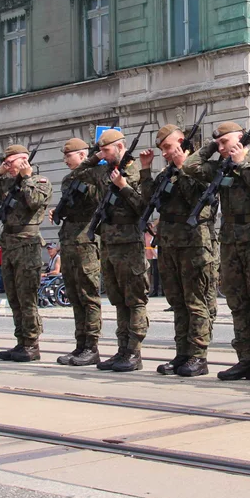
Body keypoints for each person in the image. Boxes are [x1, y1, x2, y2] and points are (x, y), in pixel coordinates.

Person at [183, 120, 250, 383]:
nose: (222, 147)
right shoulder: (219, 166)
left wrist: (242, 161)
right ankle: (245, 360)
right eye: (219, 143)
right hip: (230, 242)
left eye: (225, 142)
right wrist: (211, 146)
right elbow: (189, 166)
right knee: (238, 303)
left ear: (240, 139)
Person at [140, 123, 217, 377]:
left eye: (167, 147)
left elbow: (196, 199)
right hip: (170, 245)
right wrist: (145, 170)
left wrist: (185, 166)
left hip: (194, 244)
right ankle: (182, 353)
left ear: (182, 143)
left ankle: (198, 355)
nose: (164, 153)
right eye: (162, 148)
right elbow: (149, 200)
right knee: (178, 302)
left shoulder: (200, 172)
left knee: (196, 301)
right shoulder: (167, 174)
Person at [0, 144, 52, 361]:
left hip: (27, 243)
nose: (8, 166)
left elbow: (34, 202)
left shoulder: (40, 182)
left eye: (11, 162)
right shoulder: (8, 183)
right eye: (6, 162)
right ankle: (20, 341)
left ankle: (31, 343)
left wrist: (26, 176)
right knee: (13, 296)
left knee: (26, 296)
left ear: (24, 160)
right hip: (8, 243)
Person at [83, 129, 148, 372]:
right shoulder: (104, 171)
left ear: (120, 147)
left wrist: (123, 187)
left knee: (134, 299)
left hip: (129, 244)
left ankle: (134, 351)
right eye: (100, 150)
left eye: (106, 150)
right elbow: (79, 173)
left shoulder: (132, 173)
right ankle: (122, 350)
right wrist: (93, 156)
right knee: (118, 300)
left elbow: (144, 207)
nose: (102, 154)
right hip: (109, 244)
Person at [49, 138, 103, 367]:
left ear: (82, 156)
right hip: (70, 241)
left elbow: (93, 201)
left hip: (86, 242)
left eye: (68, 155)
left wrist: (90, 164)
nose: (64, 159)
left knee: (88, 295)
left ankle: (91, 346)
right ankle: (80, 344)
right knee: (74, 296)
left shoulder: (95, 176)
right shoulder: (68, 179)